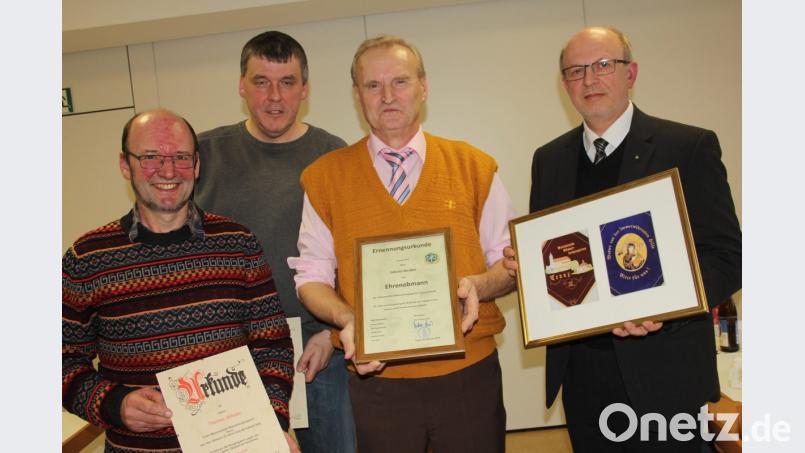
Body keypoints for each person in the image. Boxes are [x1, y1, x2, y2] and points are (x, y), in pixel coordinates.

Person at [504, 26, 741, 451]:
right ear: (564, 85)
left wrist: (664, 308)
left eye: (602, 65)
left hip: (667, 371)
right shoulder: (549, 159)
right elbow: (563, 256)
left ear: (630, 74)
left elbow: (726, 257)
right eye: (575, 71)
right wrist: (531, 267)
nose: (589, 80)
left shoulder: (688, 146)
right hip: (583, 373)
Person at [288, 35, 517, 453]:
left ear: (423, 87)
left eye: (400, 81)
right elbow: (311, 276)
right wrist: (348, 318)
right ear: (357, 95)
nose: (387, 96)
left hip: (469, 374)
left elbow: (508, 263)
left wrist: (477, 287)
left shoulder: (474, 166)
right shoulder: (324, 178)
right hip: (377, 382)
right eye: (373, 86)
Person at [62, 109, 299, 453]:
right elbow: (61, 361)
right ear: (125, 165)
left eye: (181, 157)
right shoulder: (87, 258)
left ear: (198, 165)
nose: (169, 170)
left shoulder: (238, 244)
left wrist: (270, 424)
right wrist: (114, 404)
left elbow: (273, 347)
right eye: (151, 157)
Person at [193, 31, 356, 452]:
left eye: (287, 82)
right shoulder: (205, 155)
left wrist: (330, 333)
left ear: (305, 88)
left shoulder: (333, 156)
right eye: (261, 81)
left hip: (317, 352)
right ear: (241, 85)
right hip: (229, 353)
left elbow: (353, 254)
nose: (275, 97)